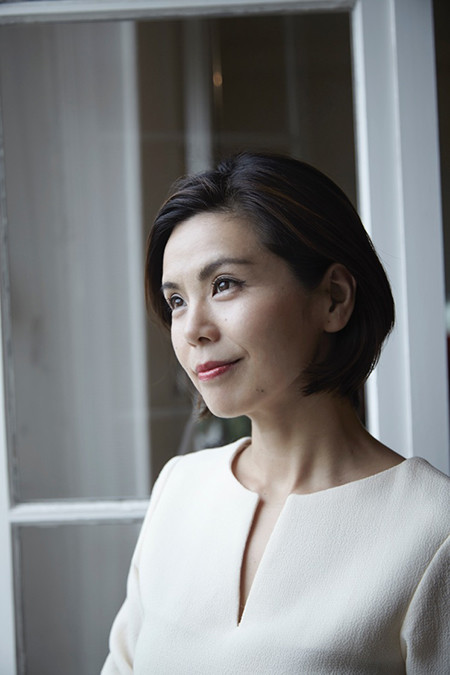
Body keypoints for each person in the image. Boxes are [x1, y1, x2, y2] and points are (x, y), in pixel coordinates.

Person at [102, 152, 449, 674]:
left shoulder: (433, 529)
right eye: (176, 301)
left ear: (333, 298)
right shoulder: (179, 488)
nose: (192, 329)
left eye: (224, 284)